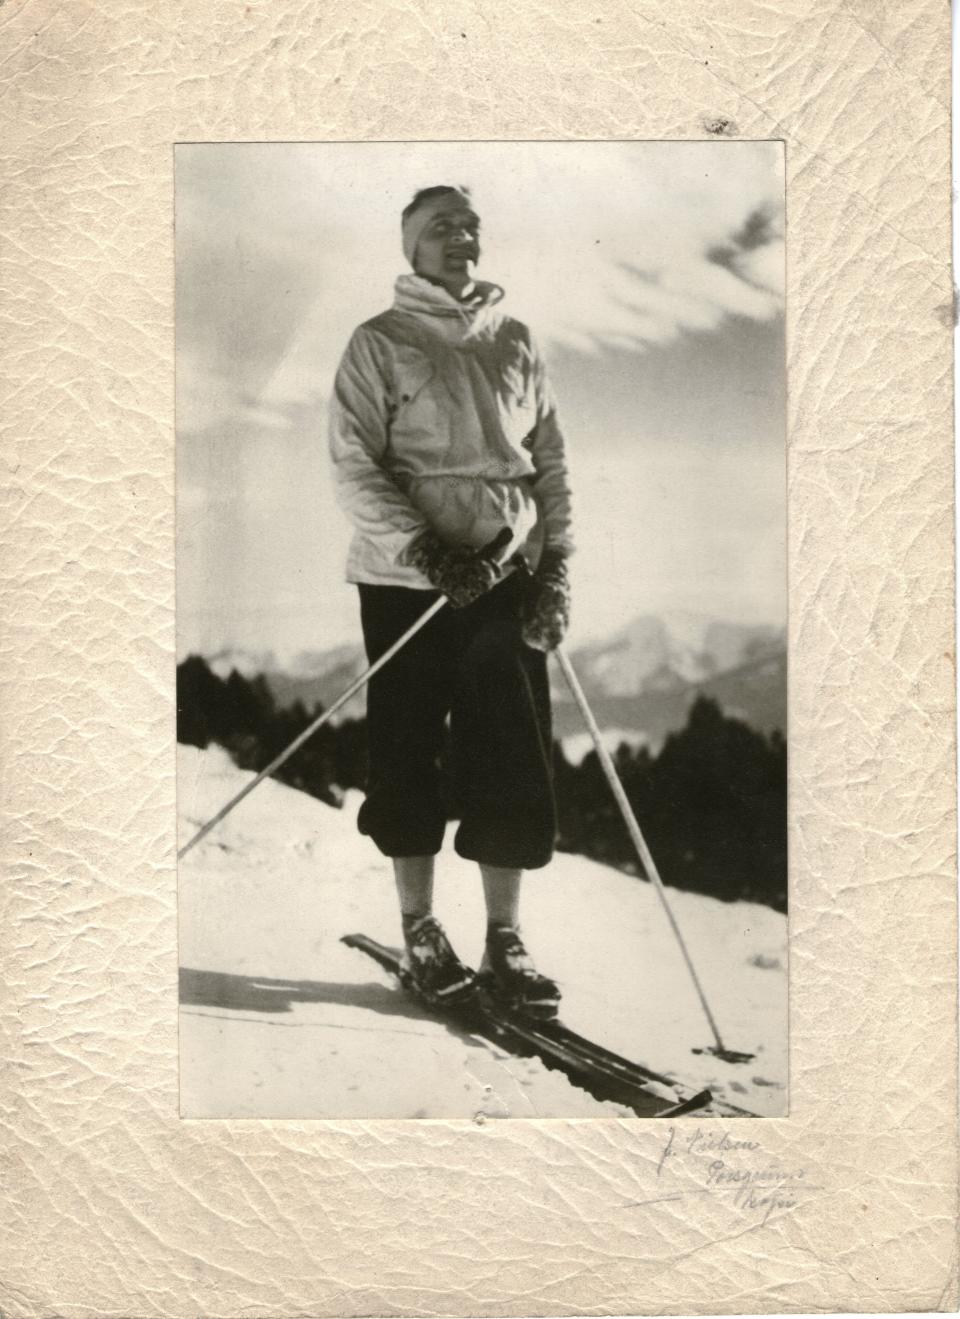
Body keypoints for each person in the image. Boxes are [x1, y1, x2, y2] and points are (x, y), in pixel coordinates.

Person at [328, 184, 574, 1018]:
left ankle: (504, 938)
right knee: (408, 750)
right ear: (411, 248)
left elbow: (549, 462)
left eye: (470, 225)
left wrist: (560, 564)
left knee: (511, 747)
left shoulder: (517, 340)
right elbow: (353, 466)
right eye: (441, 227)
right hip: (405, 579)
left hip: (504, 574)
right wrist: (427, 549)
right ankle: (421, 928)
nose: (460, 237)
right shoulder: (379, 342)